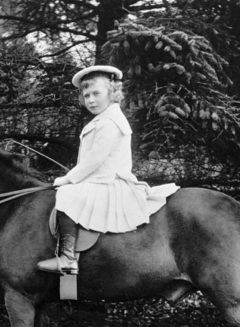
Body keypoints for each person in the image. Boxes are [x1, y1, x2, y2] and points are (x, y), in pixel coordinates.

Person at [37, 65, 179, 275]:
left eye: (96, 94)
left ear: (112, 94)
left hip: (109, 184)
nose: (91, 100)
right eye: (86, 96)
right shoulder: (102, 119)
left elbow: (95, 159)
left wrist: (68, 179)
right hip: (99, 181)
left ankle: (67, 258)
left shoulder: (110, 121)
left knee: (67, 195)